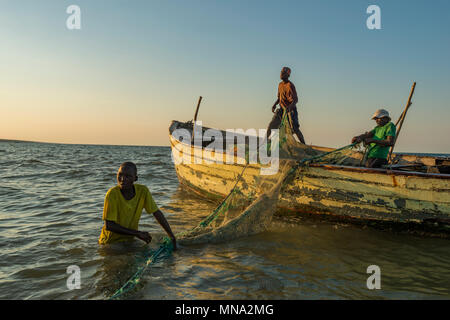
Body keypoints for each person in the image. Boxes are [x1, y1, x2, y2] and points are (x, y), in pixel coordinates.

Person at [98, 162, 177, 249]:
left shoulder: (143, 191)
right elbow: (109, 225)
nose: (123, 179)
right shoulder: (112, 194)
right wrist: (137, 233)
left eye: (128, 176)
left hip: (129, 239)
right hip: (110, 243)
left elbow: (156, 213)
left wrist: (171, 236)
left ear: (135, 178)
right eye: (120, 175)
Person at [266, 67, 306, 144]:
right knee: (271, 126)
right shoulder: (280, 85)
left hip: (291, 110)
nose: (281, 74)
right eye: (281, 72)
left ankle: (304, 145)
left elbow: (295, 100)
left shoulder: (290, 85)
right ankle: (264, 142)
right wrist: (274, 104)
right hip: (281, 109)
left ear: (288, 75)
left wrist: (289, 107)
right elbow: (279, 97)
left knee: (295, 129)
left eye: (283, 73)